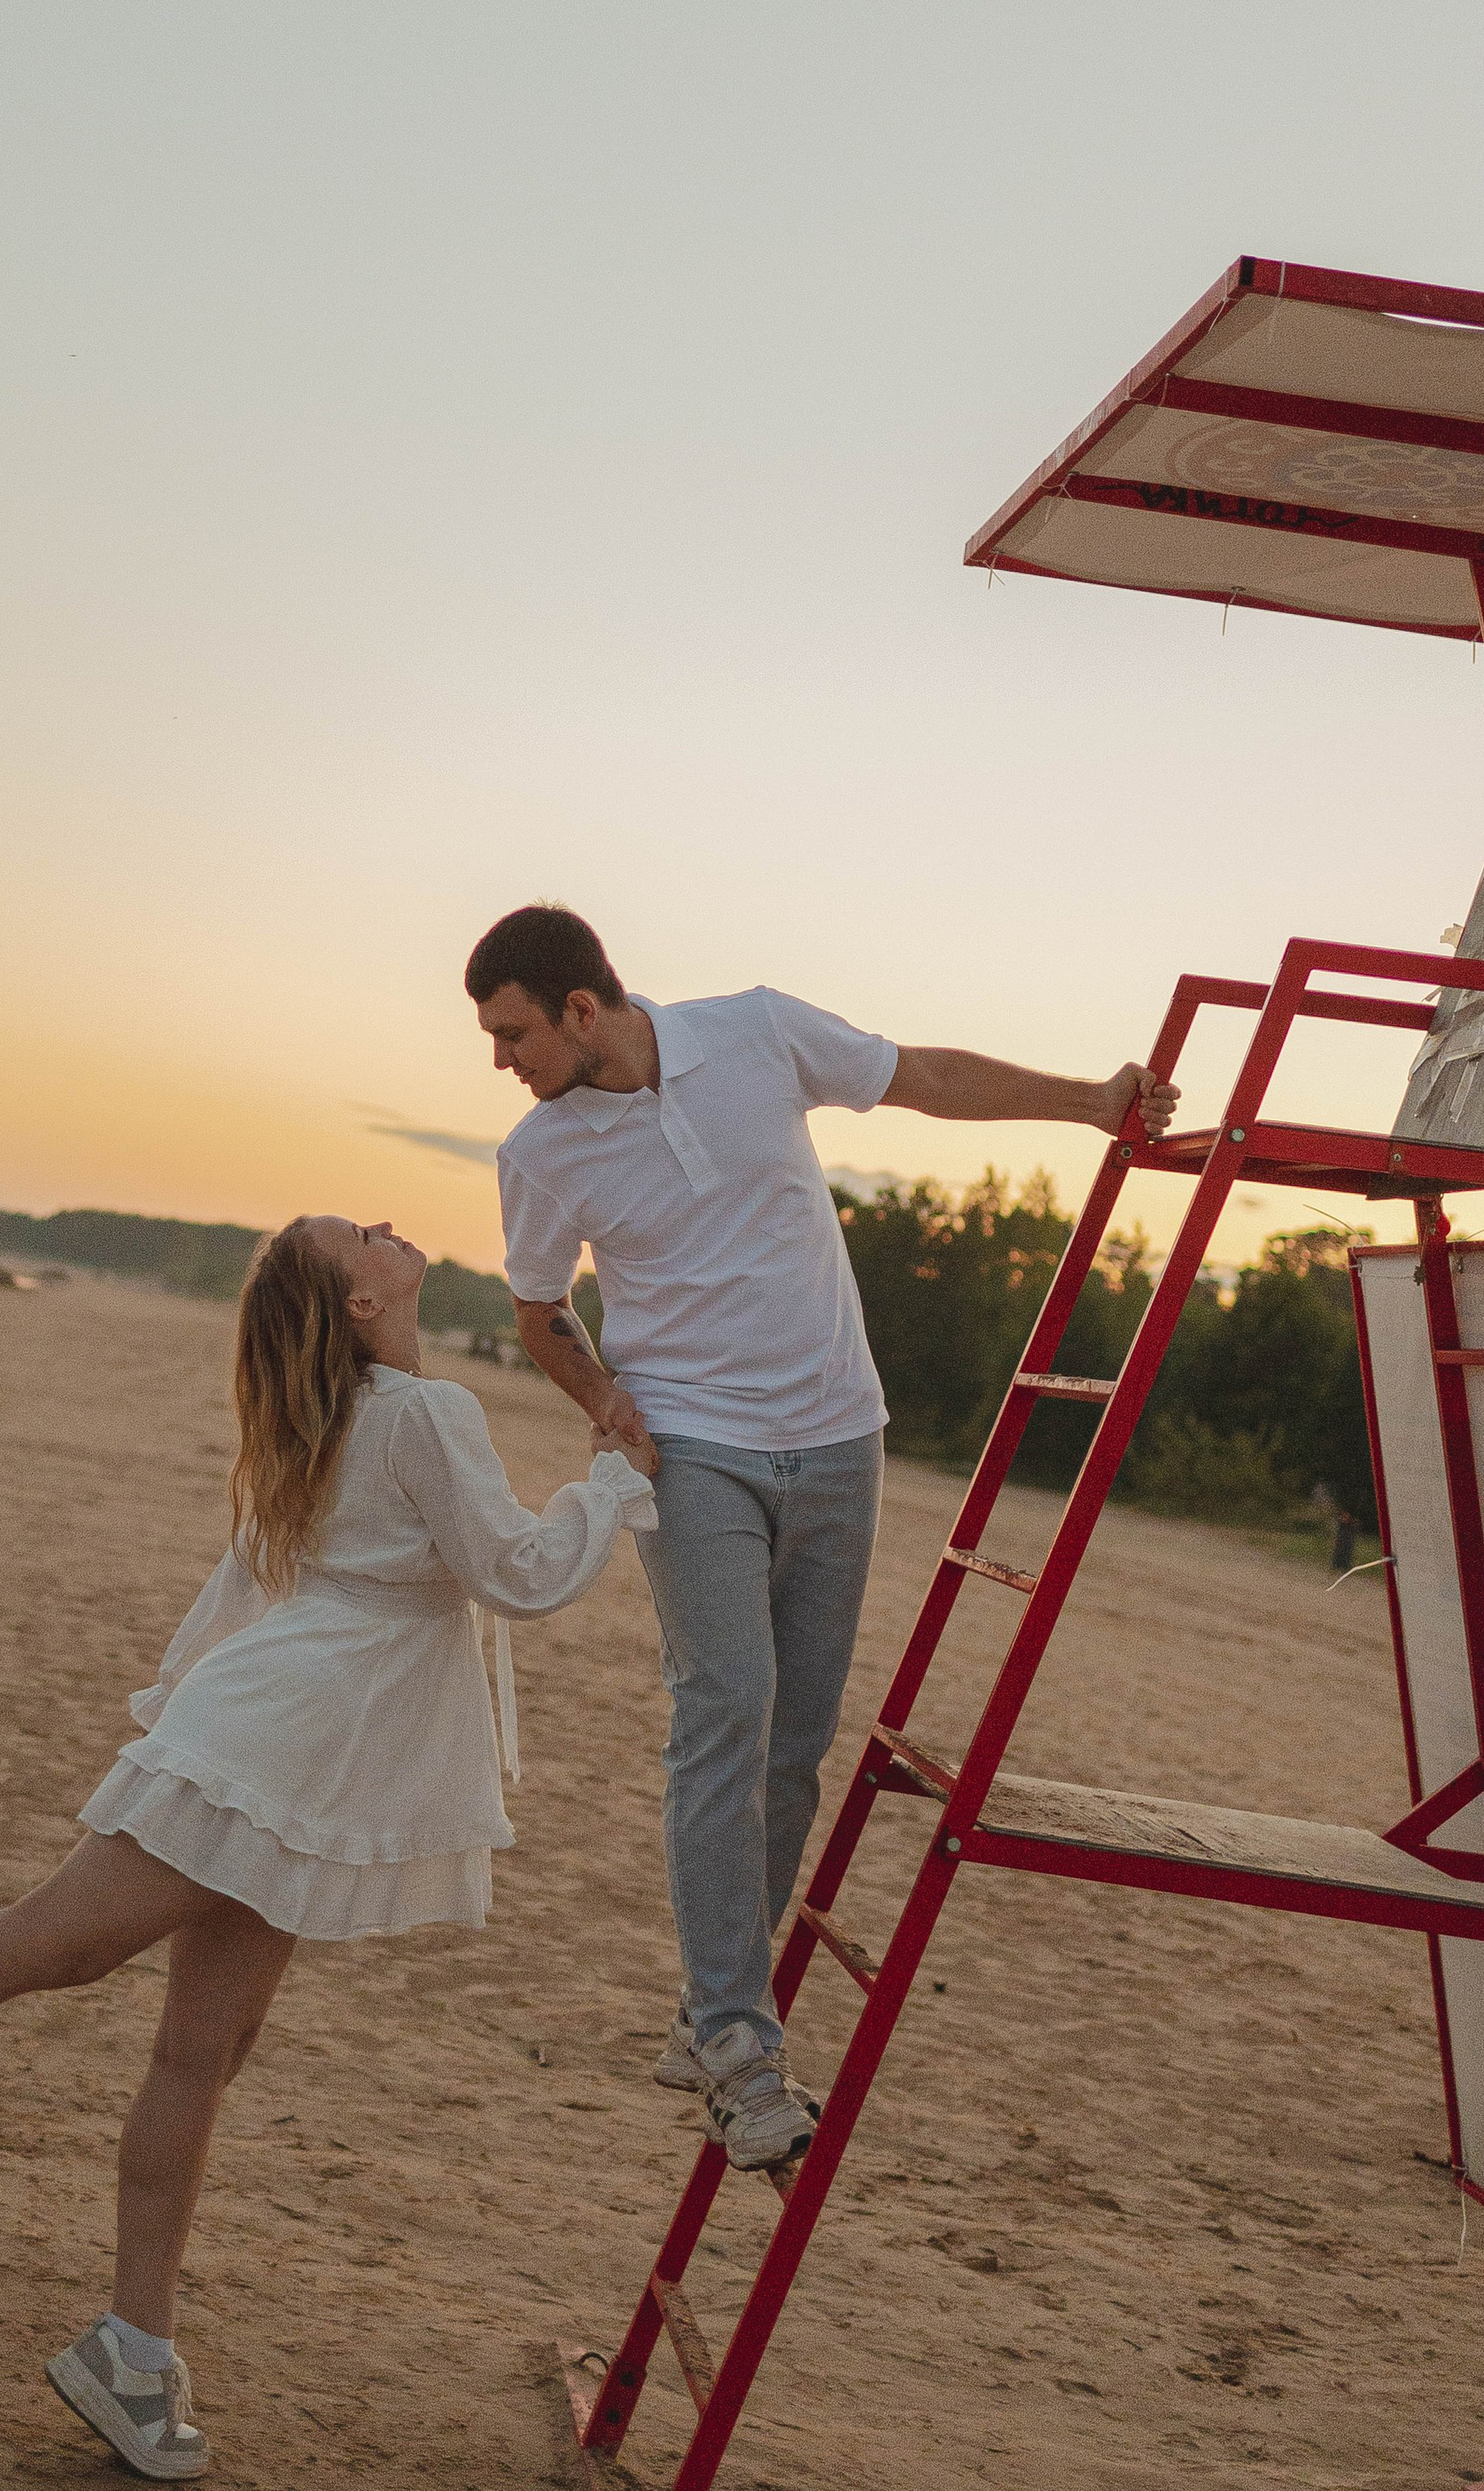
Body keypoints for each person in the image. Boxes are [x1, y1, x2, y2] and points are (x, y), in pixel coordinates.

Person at [0, 1213, 656, 2481]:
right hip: (281, 1743)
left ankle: (133, 2346)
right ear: (354, 1302)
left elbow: (278, 1582)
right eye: (364, 1235)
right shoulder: (420, 1414)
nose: (391, 1229)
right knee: (50, 1945)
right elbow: (515, 1573)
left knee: (207, 2047)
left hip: (304, 1748)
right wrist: (618, 1475)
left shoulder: (358, 1414)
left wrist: (192, 1705)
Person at [465, 904, 1179, 2174]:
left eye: (513, 1032)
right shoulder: (539, 1152)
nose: (501, 1060)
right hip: (691, 1453)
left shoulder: (758, 1033)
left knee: (794, 1746)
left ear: (582, 1008)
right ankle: (742, 2047)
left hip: (844, 1438)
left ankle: (708, 2015)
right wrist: (603, 1399)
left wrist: (1092, 1099)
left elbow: (925, 1078)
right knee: (724, 1710)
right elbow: (538, 1309)